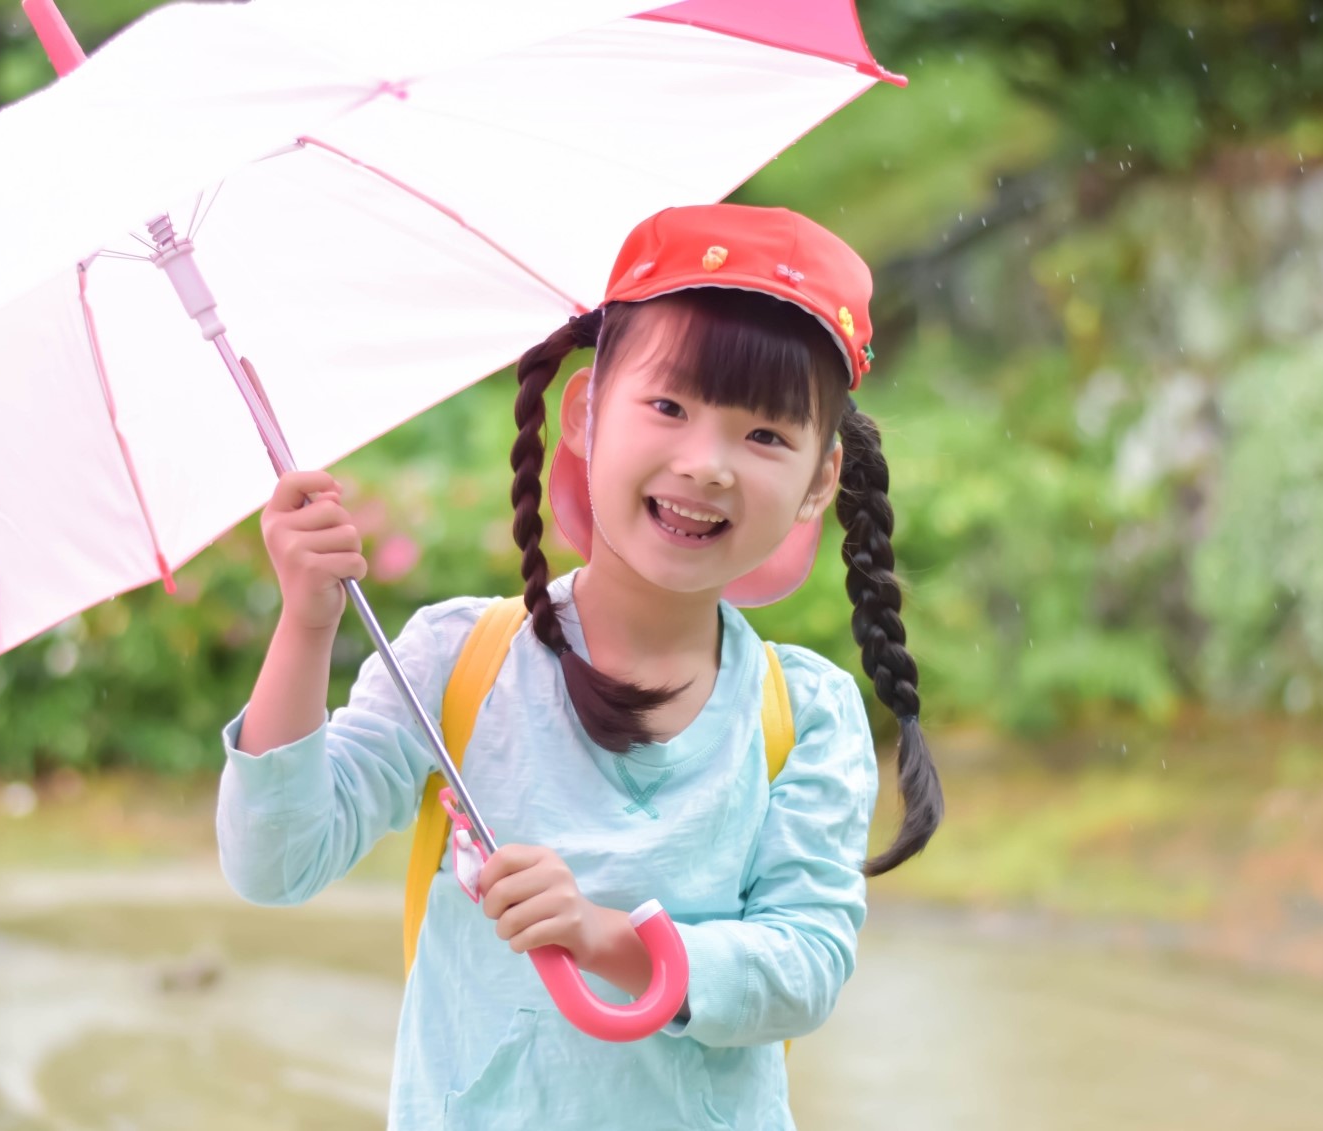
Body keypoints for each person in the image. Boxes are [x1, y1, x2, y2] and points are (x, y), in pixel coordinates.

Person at [217, 203, 942, 1129]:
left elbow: (801, 967)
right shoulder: (457, 664)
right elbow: (274, 860)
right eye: (668, 406)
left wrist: (602, 935)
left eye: (763, 435)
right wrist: (305, 626)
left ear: (819, 481)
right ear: (589, 414)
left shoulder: (803, 714)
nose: (707, 464)